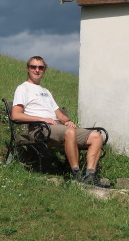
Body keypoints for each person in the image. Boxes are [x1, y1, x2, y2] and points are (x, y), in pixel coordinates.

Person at [11, 55, 105, 185]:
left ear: (44, 70)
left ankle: (90, 175)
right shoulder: (23, 88)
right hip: (39, 128)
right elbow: (16, 115)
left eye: (40, 67)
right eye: (33, 67)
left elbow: (59, 114)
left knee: (97, 136)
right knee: (69, 132)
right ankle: (76, 174)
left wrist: (67, 121)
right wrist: (42, 118)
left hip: (56, 127)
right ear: (28, 69)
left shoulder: (46, 91)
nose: (37, 70)